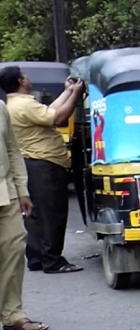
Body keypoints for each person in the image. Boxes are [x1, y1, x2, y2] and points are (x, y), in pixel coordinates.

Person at [0, 66, 85, 274]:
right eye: (26, 76)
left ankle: (37, 257)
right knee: (52, 213)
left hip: (32, 163)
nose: (29, 79)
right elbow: (58, 119)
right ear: (21, 81)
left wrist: (66, 91)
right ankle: (53, 260)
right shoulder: (24, 105)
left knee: (36, 214)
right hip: (44, 163)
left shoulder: (17, 104)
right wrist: (75, 94)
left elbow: (50, 112)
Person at [0, 96, 48, 330]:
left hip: (5, 191)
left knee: (14, 248)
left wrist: (22, 190)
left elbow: (12, 149)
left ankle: (12, 314)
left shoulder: (0, 108)